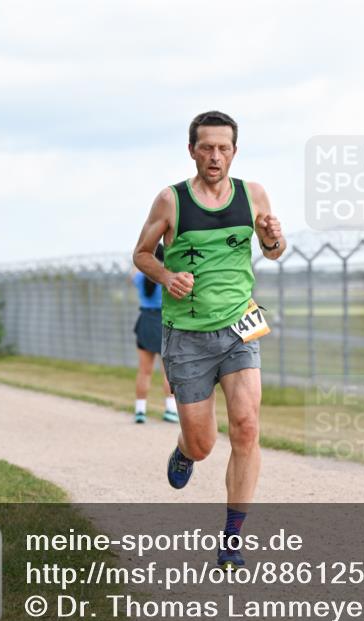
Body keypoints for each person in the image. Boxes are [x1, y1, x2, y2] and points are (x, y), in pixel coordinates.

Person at [132, 111, 286, 570]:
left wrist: (274, 240)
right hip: (187, 338)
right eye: (206, 147)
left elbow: (274, 252)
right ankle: (185, 450)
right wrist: (166, 274)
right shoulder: (171, 201)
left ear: (234, 151)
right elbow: (141, 253)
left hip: (240, 328)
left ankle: (232, 539)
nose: (215, 156)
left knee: (247, 425)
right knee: (203, 443)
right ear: (192, 150)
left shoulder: (253, 194)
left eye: (223, 148)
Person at [131, 243, 179, 424]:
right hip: (163, 322)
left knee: (144, 371)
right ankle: (170, 410)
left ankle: (140, 411)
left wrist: (142, 254)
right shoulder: (166, 278)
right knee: (167, 372)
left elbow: (134, 269)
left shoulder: (140, 278)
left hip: (144, 321)